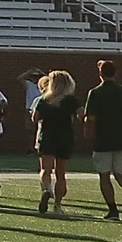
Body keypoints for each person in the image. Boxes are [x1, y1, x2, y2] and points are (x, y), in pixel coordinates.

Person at [30, 70, 81, 214]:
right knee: (61, 173)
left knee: (45, 170)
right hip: (65, 136)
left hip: (47, 136)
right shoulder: (71, 100)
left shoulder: (43, 100)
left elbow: (35, 118)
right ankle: (58, 206)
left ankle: (46, 189)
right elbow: (82, 114)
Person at [83, 60, 122, 220]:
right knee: (121, 175)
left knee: (104, 175)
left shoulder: (95, 93)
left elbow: (91, 118)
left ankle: (113, 210)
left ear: (100, 73)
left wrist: (88, 133)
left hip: (103, 139)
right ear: (115, 73)